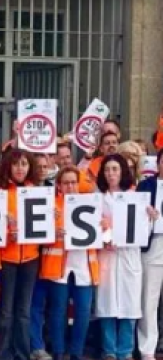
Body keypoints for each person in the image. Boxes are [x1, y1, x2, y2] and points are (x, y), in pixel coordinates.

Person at [95, 154, 158, 360]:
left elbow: (143, 233)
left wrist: (149, 217)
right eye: (107, 169)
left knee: (129, 306)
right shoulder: (98, 198)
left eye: (114, 169)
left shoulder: (136, 197)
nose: (110, 173)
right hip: (107, 257)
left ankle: (125, 351)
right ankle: (109, 350)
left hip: (129, 258)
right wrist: (104, 232)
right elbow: (91, 229)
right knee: (107, 306)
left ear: (122, 171)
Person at [41, 165, 100, 360]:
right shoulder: (51, 205)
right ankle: (58, 350)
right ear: (59, 185)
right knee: (58, 310)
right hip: (60, 265)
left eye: (73, 182)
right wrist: (51, 228)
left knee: (83, 311)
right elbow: (39, 234)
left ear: (79, 184)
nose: (70, 186)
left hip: (84, 263)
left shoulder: (90, 203)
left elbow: (103, 228)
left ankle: (76, 352)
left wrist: (104, 225)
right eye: (65, 183)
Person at [0, 149, 39, 360]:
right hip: (6, 257)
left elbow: (43, 230)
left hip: (30, 258)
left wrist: (51, 218)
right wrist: (7, 234)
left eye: (24, 164)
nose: (20, 168)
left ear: (30, 166)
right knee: (5, 312)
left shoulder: (37, 192)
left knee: (24, 311)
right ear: (8, 167)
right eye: (15, 164)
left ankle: (22, 354)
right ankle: (3, 354)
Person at [137, 148, 163, 360]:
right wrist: (146, 215)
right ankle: (147, 348)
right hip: (153, 244)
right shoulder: (145, 186)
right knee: (149, 300)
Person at [30, 153, 53, 360]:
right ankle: (36, 346)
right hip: (31, 255)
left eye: (45, 165)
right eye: (37, 166)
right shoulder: (23, 189)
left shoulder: (56, 189)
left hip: (52, 256)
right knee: (34, 304)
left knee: (51, 304)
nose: (42, 169)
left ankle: (50, 344)